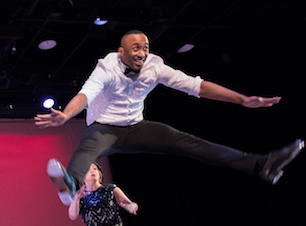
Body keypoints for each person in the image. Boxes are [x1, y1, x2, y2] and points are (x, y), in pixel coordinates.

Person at [35, 30, 303, 204]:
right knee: (88, 144)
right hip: (105, 129)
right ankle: (71, 185)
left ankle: (262, 165)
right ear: (122, 52)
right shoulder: (107, 67)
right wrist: (67, 115)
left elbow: (196, 86)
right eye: (135, 49)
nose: (141, 53)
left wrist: (242, 99)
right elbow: (86, 94)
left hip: (137, 127)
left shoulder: (155, 66)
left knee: (189, 142)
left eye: (145, 48)